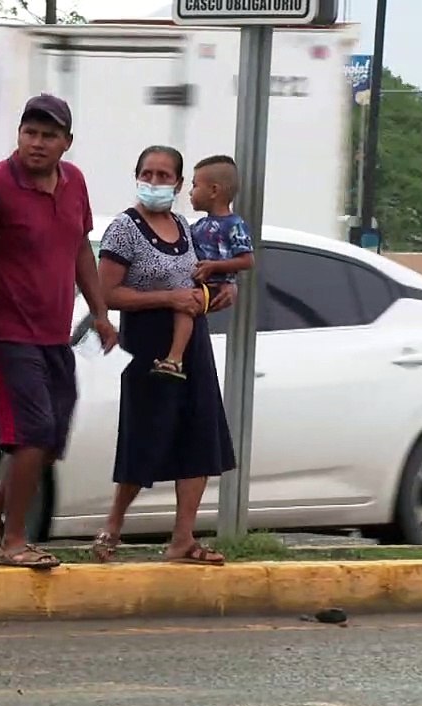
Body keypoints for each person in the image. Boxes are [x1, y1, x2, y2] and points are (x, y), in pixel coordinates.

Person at [0, 94, 119, 569]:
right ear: (19, 135)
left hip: (54, 336)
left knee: (51, 439)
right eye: (30, 133)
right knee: (31, 434)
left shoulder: (75, 183)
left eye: (49, 136)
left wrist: (101, 312)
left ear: (67, 142)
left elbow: (81, 251)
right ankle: (13, 540)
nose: (38, 143)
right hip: (6, 334)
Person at [92, 144, 238, 566]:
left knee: (199, 434)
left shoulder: (187, 228)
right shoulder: (124, 229)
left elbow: (203, 280)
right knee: (145, 435)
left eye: (164, 176)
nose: (155, 182)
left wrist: (215, 295)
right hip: (148, 341)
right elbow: (109, 293)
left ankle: (183, 538)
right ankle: (113, 525)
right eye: (148, 173)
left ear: (177, 184)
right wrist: (168, 297)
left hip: (193, 341)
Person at [152, 154, 254, 380]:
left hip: (214, 287)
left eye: (195, 185)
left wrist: (215, 267)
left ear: (214, 191)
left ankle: (175, 359)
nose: (190, 192)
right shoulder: (197, 225)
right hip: (195, 282)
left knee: (185, 305)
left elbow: (247, 260)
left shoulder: (234, 225)